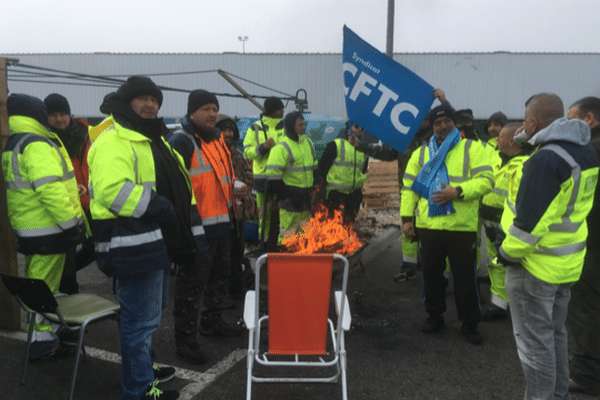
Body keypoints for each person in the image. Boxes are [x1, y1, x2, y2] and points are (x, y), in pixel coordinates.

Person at [89, 76, 206, 400]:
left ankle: (144, 369)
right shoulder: (114, 140)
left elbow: (178, 185)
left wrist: (187, 228)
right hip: (131, 244)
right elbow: (113, 190)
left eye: (154, 100)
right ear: (127, 103)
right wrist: (161, 206)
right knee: (140, 322)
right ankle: (139, 390)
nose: (150, 104)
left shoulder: (151, 139)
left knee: (147, 318)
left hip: (152, 242)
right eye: (142, 98)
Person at [497, 93, 598, 400]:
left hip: (535, 267)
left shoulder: (545, 160)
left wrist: (505, 253)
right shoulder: (585, 152)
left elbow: (529, 225)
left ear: (533, 121)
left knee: (535, 348)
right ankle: (559, 396)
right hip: (565, 265)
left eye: (525, 121)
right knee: (555, 337)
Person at [2, 93, 88, 360]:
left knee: (36, 285)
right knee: (45, 289)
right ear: (36, 114)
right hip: (49, 231)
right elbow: (49, 190)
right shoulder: (38, 143)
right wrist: (72, 225)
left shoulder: (15, 142)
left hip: (31, 229)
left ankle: (45, 335)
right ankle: (42, 342)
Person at [401, 104, 493, 345]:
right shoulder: (421, 154)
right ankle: (434, 315)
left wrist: (458, 191)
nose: (442, 126)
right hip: (428, 227)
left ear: (454, 123)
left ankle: (470, 323)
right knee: (431, 277)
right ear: (432, 128)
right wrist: (406, 219)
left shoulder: (473, 148)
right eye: (437, 123)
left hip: (461, 227)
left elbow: (486, 181)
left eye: (446, 121)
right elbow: (409, 189)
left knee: (465, 278)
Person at [168, 90, 242, 365]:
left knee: (218, 280)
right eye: (206, 109)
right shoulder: (182, 141)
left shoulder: (218, 140)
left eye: (215, 108)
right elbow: (176, 187)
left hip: (223, 224)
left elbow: (220, 180)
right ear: (191, 112)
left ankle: (211, 322)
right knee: (191, 287)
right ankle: (185, 342)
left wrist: (236, 190)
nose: (212, 114)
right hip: (198, 228)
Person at [565, 96, 600, 396]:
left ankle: (588, 374)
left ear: (589, 119)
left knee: (585, 307)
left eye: (571, 118)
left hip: (594, 243)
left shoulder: (590, 152)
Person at [43, 93, 94, 295]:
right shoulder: (45, 140)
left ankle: (64, 276)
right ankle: (69, 292)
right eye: (53, 114)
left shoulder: (87, 133)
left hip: (90, 202)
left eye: (62, 113)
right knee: (68, 256)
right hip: (66, 206)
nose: (59, 119)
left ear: (69, 114)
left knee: (94, 249)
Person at [479, 122, 529, 321]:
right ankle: (499, 301)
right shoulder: (497, 158)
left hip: (506, 224)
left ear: (510, 141)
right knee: (495, 262)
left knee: (506, 264)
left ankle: (501, 305)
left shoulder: (524, 165)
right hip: (490, 221)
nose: (496, 140)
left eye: (500, 137)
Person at [216, 114, 256, 300]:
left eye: (230, 129)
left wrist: (245, 193)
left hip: (237, 211)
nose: (228, 133)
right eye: (224, 129)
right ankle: (220, 291)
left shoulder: (237, 154)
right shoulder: (213, 153)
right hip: (219, 212)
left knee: (237, 251)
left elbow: (247, 177)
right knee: (221, 255)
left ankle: (236, 288)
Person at [265, 111, 318, 240]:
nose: (304, 127)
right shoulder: (281, 148)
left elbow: (315, 168)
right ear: (290, 126)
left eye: (304, 124)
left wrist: (315, 190)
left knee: (307, 234)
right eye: (300, 125)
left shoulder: (309, 143)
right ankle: (286, 258)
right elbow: (273, 176)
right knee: (289, 234)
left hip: (306, 198)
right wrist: (285, 198)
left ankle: (306, 259)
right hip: (290, 198)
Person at [243, 97, 285, 247]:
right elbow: (247, 151)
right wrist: (263, 147)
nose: (283, 111)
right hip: (263, 178)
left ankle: (282, 245)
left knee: (284, 214)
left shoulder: (286, 127)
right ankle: (264, 244)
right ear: (273, 110)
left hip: (282, 177)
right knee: (264, 215)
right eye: (280, 108)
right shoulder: (255, 128)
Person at [318, 121, 368, 224]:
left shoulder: (363, 149)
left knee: (349, 225)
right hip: (336, 195)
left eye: (362, 128)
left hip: (354, 195)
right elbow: (323, 167)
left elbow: (362, 170)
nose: (360, 129)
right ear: (348, 128)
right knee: (334, 225)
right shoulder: (335, 145)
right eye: (357, 126)